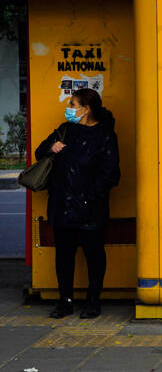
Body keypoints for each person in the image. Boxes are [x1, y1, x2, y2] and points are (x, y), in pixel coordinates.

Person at [35, 88, 120, 319]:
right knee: (63, 255)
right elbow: (39, 151)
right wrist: (50, 148)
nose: (69, 108)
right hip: (62, 205)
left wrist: (87, 197)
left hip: (90, 208)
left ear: (86, 109)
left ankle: (93, 301)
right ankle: (66, 301)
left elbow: (112, 174)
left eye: (72, 104)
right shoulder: (65, 131)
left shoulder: (105, 136)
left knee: (93, 254)